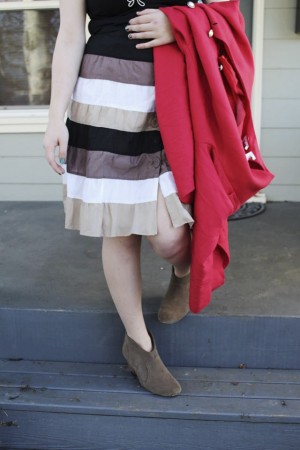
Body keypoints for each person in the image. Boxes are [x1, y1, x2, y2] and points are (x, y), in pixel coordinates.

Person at [44, 0, 231, 397]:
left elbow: (225, 12)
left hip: (169, 99)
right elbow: (71, 34)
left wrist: (177, 23)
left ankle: (182, 271)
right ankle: (139, 345)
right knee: (119, 229)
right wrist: (54, 119)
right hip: (102, 96)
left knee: (168, 237)